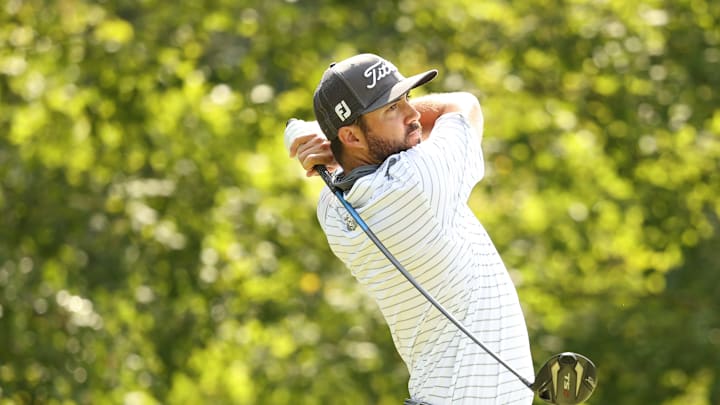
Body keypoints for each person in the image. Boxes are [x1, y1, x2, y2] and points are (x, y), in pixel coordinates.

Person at [287, 53, 534, 405]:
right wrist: (330, 144)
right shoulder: (418, 180)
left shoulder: (331, 210)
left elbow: (353, 166)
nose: (413, 114)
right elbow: (464, 105)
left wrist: (334, 146)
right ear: (352, 136)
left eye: (407, 99)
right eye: (392, 108)